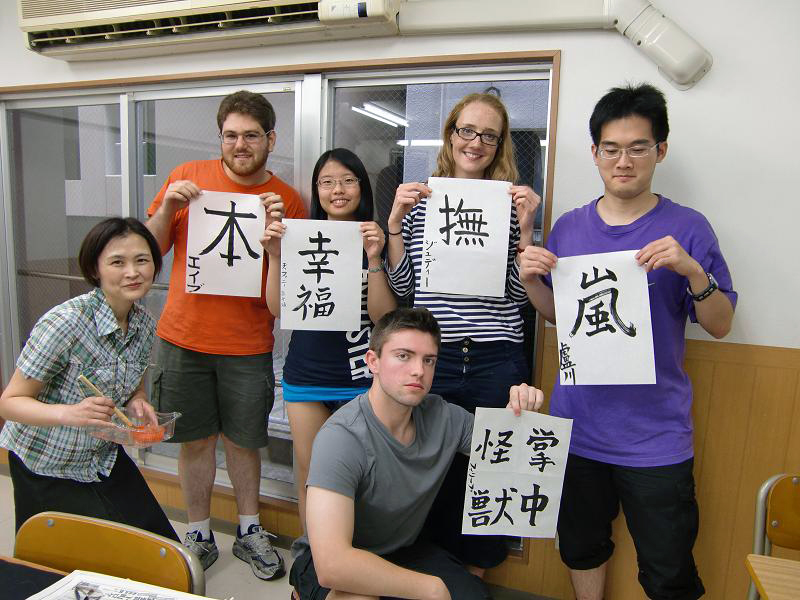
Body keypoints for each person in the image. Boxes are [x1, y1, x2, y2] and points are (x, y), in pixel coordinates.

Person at [520, 83, 736, 600]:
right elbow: (558, 318)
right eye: (611, 148)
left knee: (668, 570)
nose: (624, 161)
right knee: (581, 546)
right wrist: (530, 280)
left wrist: (689, 270)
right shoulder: (569, 227)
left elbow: (722, 322)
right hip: (577, 427)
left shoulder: (688, 227)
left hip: (655, 436)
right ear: (594, 153)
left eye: (638, 147)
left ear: (660, 150)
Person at [145, 90, 306, 580]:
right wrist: (166, 206)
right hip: (182, 338)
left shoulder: (288, 200)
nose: (241, 144)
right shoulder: (186, 179)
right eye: (231, 135)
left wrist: (278, 242)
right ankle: (197, 532)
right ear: (220, 137)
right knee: (194, 441)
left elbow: (290, 290)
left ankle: (251, 529)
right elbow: (148, 252)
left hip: (248, 344)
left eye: (252, 135)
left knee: (243, 441)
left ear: (270, 140)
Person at [384, 92, 541, 573]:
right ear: (451, 135)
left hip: (497, 354)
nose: (476, 143)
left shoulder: (512, 206)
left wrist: (529, 232)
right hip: (439, 355)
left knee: (495, 470)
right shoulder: (422, 203)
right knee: (433, 468)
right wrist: (393, 225)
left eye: (488, 135)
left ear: (500, 145)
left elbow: (517, 295)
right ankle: (432, 575)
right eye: (467, 131)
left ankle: (473, 579)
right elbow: (405, 287)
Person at [289, 307, 545, 600]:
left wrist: (523, 414)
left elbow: (513, 456)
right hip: (334, 558)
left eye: (429, 360)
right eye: (403, 356)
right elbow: (333, 565)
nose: (418, 370)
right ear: (373, 361)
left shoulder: (445, 417)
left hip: (405, 550)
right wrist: (431, 589)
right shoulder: (341, 437)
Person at [0, 218, 177, 541]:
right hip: (46, 464)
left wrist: (138, 401)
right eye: (117, 262)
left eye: (142, 260)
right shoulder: (65, 323)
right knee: (65, 569)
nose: (132, 272)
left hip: (101, 457)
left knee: (161, 547)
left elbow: (132, 383)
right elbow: (10, 403)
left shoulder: (143, 325)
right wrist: (69, 413)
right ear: (95, 269)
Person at [261, 148, 396, 529]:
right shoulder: (299, 236)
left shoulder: (376, 237)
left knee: (362, 475)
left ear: (361, 187)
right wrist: (274, 256)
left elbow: (384, 318)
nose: (338, 189)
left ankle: (356, 559)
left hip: (362, 378)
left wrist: (373, 259)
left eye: (348, 180)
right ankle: (314, 560)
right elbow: (277, 310)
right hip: (306, 375)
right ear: (316, 189)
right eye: (327, 182)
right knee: (312, 473)